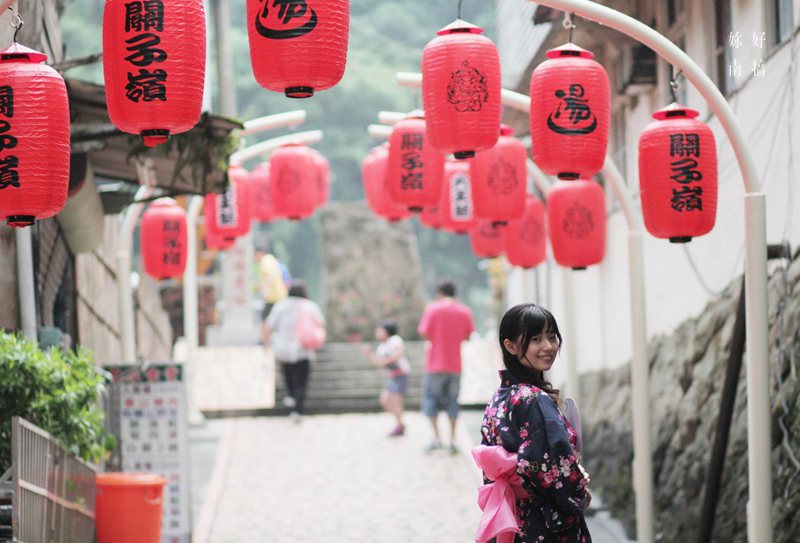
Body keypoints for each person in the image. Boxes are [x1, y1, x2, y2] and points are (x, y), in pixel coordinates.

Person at [472, 303, 591, 543]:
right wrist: (577, 487)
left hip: (514, 516)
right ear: (511, 346)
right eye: (536, 339)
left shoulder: (500, 396)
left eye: (552, 337)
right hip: (543, 522)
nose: (548, 347)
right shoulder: (533, 399)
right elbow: (549, 465)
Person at [417, 280, 474, 454]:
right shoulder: (464, 311)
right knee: (452, 402)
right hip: (455, 365)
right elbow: (468, 336)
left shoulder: (433, 309)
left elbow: (424, 332)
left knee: (431, 401)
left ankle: (436, 438)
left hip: (435, 364)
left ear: (439, 293)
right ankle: (453, 440)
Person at [262, 280, 325, 423]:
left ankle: (291, 398)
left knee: (288, 377)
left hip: (283, 349)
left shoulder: (281, 306)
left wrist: (266, 345)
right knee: (302, 381)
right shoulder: (309, 306)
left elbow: (269, 325)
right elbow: (321, 323)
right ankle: (297, 409)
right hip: (303, 349)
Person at [363, 320, 411, 437]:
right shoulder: (381, 347)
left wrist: (386, 360)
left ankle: (399, 426)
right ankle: (400, 424)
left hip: (402, 375)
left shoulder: (395, 340)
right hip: (394, 376)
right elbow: (378, 363)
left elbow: (399, 353)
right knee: (384, 401)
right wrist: (369, 355)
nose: (377, 332)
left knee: (395, 401)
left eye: (380, 330)